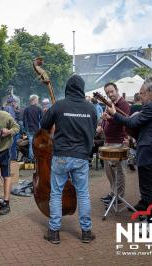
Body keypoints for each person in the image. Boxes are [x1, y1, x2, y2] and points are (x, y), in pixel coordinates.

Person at [107, 76, 152, 227]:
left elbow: (131, 122)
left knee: (148, 189)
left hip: (149, 152)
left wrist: (114, 114)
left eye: (142, 93)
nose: (140, 96)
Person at [41, 74, 97, 244]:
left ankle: (54, 232)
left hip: (61, 157)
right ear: (82, 88)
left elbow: (44, 126)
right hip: (81, 157)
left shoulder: (59, 106)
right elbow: (93, 130)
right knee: (83, 194)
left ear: (67, 88)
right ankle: (86, 232)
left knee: (56, 193)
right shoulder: (90, 108)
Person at [100, 82, 130, 205]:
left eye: (111, 91)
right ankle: (113, 193)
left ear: (116, 90)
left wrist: (109, 118)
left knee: (119, 171)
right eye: (107, 92)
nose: (110, 94)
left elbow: (123, 121)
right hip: (108, 141)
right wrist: (102, 122)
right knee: (109, 171)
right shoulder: (109, 104)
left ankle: (119, 196)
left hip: (118, 141)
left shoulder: (123, 104)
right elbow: (107, 120)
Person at [23, 94, 43, 162]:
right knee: (38, 144)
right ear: (34, 100)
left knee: (31, 145)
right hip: (37, 129)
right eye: (37, 100)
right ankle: (37, 158)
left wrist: (25, 130)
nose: (37, 101)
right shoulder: (39, 109)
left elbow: (24, 121)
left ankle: (31, 159)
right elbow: (42, 120)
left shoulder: (26, 109)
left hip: (29, 130)